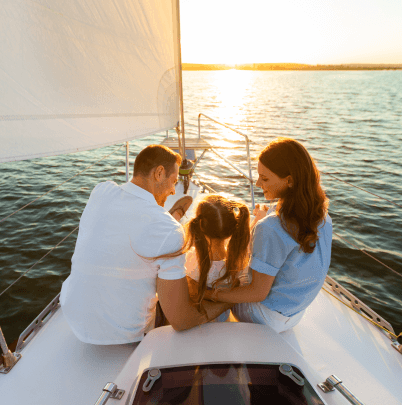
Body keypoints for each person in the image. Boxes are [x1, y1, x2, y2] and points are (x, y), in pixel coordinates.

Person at [60, 144, 230, 345]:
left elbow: (129, 214)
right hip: (124, 333)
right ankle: (174, 216)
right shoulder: (171, 232)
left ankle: (173, 215)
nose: (173, 190)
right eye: (174, 181)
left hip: (72, 314)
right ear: (159, 173)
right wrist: (226, 302)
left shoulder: (101, 190)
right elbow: (181, 320)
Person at [204, 137, 332, 333]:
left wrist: (213, 295)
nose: (257, 183)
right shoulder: (322, 215)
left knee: (219, 271)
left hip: (264, 318)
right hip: (294, 314)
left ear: (289, 181)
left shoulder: (270, 227)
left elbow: (257, 293)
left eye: (264, 179)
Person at [183, 195, 250, 321]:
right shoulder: (239, 261)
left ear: (200, 225)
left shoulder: (191, 258)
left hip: (198, 324)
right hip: (223, 322)